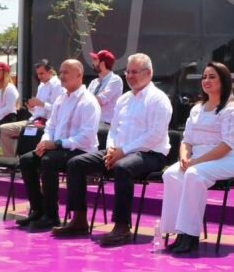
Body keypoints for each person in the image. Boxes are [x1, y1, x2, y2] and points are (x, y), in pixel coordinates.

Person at [52, 53, 172, 246]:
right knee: (76, 163)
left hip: (150, 154)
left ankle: (122, 227)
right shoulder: (124, 99)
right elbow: (113, 130)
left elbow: (154, 135)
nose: (130, 76)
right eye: (128, 72)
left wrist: (123, 151)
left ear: (149, 73)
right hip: (118, 151)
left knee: (123, 168)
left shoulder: (158, 99)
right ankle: (79, 220)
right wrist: (111, 150)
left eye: (135, 72)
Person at [161, 62, 234, 255]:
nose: (206, 80)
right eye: (204, 77)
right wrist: (184, 157)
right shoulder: (197, 109)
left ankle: (190, 235)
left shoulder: (232, 109)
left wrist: (195, 162)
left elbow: (226, 145)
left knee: (193, 174)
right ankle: (178, 232)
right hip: (198, 159)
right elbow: (187, 140)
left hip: (230, 158)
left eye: (212, 77)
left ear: (223, 81)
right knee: (171, 174)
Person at [17, 60, 100, 231]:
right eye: (61, 72)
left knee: (48, 161)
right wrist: (44, 142)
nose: (61, 76)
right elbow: (51, 127)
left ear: (79, 75)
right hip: (58, 147)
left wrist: (57, 144)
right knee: (27, 160)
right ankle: (38, 209)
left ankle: (51, 215)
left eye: (66, 72)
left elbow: (86, 137)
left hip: (80, 150)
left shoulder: (88, 101)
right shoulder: (61, 99)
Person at [0, 60, 61, 157]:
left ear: (50, 72)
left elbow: (59, 110)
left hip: (48, 124)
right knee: (4, 129)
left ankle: (27, 158)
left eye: (42, 73)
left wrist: (41, 104)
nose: (39, 76)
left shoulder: (57, 85)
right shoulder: (41, 85)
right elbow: (37, 112)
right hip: (34, 120)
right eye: (38, 74)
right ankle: (10, 160)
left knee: (31, 131)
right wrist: (31, 108)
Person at [87, 50, 124, 127]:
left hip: (106, 126)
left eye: (95, 60)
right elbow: (85, 102)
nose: (93, 63)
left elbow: (99, 101)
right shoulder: (94, 82)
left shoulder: (115, 80)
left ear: (102, 64)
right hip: (92, 124)